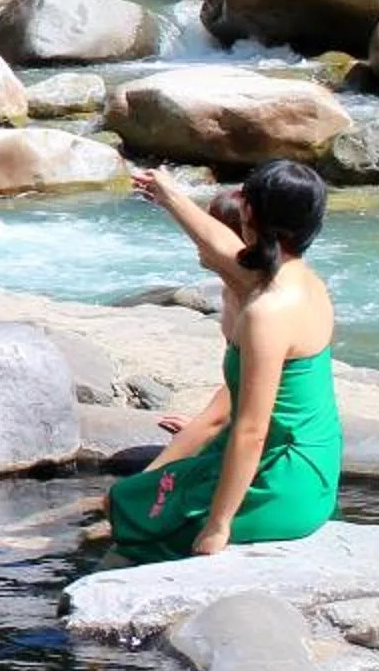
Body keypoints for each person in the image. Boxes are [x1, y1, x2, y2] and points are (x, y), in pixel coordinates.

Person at [105, 160, 341, 562]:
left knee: (130, 515)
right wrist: (170, 196)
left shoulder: (267, 311)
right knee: (124, 502)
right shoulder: (299, 279)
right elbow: (222, 247)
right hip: (315, 469)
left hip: (280, 482)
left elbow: (251, 430)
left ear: (247, 211)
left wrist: (218, 526)